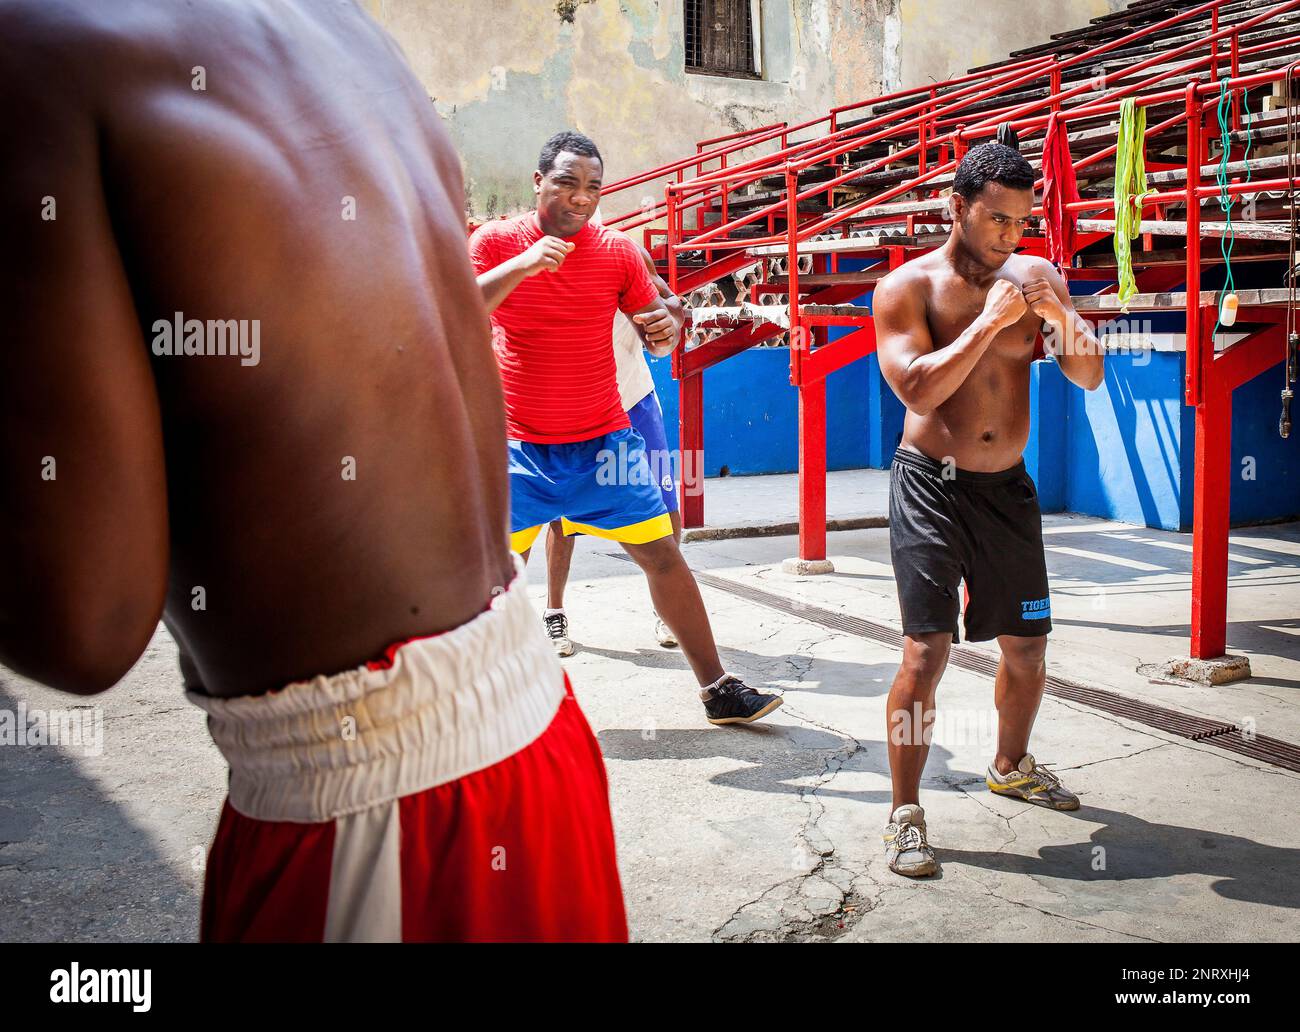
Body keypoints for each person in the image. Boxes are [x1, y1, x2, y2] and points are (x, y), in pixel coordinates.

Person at [0, 0, 625, 941]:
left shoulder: (36, 52)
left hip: (376, 812)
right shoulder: (340, 27)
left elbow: (81, 628)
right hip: (534, 735)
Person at [470, 130, 782, 726]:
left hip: (603, 444)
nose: (580, 197)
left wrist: (665, 327)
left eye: (592, 186)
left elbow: (659, 319)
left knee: (663, 556)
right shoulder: (495, 243)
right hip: (513, 446)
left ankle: (717, 688)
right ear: (538, 182)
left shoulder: (617, 252)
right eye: (566, 182)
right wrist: (524, 263)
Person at [871, 142, 1104, 877]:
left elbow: (1089, 374)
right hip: (929, 485)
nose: (1010, 236)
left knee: (1028, 650)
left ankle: (1010, 763)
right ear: (957, 207)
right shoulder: (906, 288)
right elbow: (916, 390)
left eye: (1021, 223)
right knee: (924, 653)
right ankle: (906, 813)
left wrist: (1057, 314)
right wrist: (987, 322)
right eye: (996, 220)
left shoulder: (1036, 276)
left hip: (1007, 489)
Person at [540, 215, 684, 655]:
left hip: (633, 400)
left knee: (665, 507)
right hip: (573, 408)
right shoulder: (539, 265)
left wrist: (670, 319)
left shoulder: (626, 254)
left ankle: (667, 610)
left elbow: (670, 303)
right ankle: (555, 613)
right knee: (562, 517)